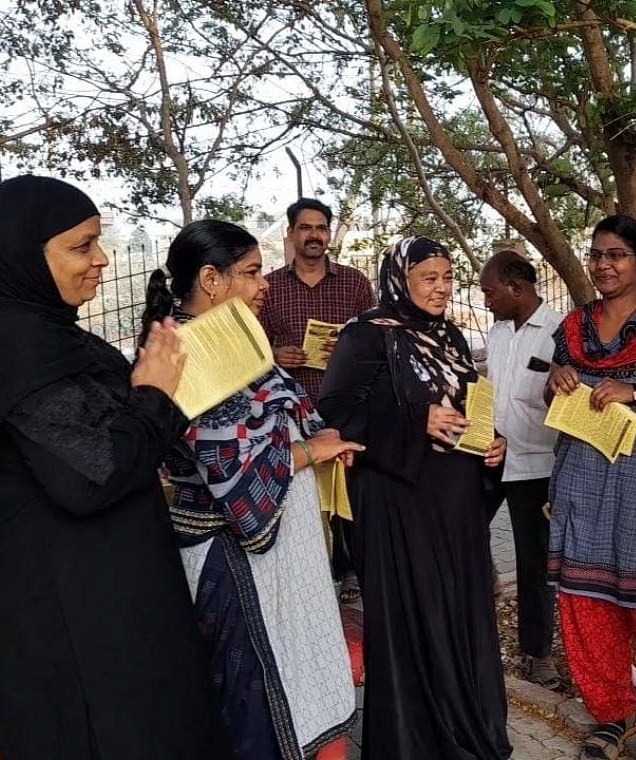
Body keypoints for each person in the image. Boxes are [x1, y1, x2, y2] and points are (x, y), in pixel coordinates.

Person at [0, 175, 223, 759]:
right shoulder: (6, 342)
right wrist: (155, 393)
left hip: (108, 594)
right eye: (82, 247)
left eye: (98, 243)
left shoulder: (44, 334)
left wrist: (150, 388)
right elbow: (93, 474)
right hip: (71, 611)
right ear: (24, 252)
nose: (102, 260)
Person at [142, 220, 361, 760]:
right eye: (252, 273)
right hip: (236, 563)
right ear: (211, 279)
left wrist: (318, 436)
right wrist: (312, 451)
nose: (265, 284)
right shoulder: (186, 356)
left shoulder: (233, 344)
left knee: (306, 683)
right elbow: (228, 472)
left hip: (287, 557)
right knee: (256, 705)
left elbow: (289, 416)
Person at [318, 236, 512, 760]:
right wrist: (414, 420)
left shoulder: (448, 334)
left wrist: (491, 443)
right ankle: (414, 744)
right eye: (430, 278)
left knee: (459, 610)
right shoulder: (367, 335)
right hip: (397, 503)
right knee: (413, 615)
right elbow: (335, 412)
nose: (443, 288)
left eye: (448, 278)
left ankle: (467, 729)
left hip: (453, 499)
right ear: (400, 279)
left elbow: (471, 404)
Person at [545, 215, 636, 760]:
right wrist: (554, 381)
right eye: (597, 255)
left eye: (617, 255)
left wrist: (632, 391)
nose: (604, 265)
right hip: (581, 473)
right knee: (585, 600)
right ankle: (614, 713)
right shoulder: (574, 325)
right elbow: (555, 392)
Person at [259, 197, 375, 603]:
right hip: (290, 411)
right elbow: (249, 347)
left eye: (321, 228)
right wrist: (274, 355)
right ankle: (309, 574)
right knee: (305, 497)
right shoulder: (268, 288)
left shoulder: (355, 284)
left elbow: (376, 339)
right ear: (291, 234)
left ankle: (354, 573)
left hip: (346, 407)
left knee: (352, 489)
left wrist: (348, 351)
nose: (314, 235)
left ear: (329, 234)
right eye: (305, 228)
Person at [479, 249, 564, 689]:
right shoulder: (495, 334)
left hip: (536, 463)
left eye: (490, 291)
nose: (486, 300)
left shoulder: (557, 334)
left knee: (534, 564)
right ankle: (477, 620)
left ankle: (538, 654)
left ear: (518, 288)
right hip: (491, 456)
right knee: (463, 530)